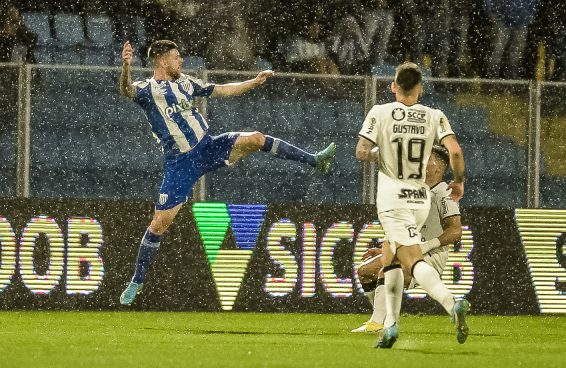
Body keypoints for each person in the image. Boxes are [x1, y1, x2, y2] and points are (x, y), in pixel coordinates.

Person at [118, 39, 336, 305]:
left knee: (255, 138)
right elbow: (126, 90)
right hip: (180, 163)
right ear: (162, 60)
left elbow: (222, 90)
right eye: (176, 57)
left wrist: (253, 82)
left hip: (208, 147)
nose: (181, 60)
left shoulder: (187, 82)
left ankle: (314, 160)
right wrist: (126, 66)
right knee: (160, 224)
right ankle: (137, 281)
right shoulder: (147, 89)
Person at [355, 62, 469, 349]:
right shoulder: (434, 115)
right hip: (419, 198)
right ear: (421, 88)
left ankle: (451, 302)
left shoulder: (380, 112)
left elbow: (361, 152)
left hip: (393, 196)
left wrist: (384, 154)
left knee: (410, 259)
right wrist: (458, 180)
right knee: (390, 257)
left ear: (394, 86)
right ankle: (390, 325)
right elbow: (454, 150)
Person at [351, 145, 463, 334]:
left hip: (431, 256)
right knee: (365, 271)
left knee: (386, 272)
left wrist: (425, 247)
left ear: (438, 168)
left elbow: (455, 231)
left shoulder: (443, 193)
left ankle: (378, 323)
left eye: (427, 159)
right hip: (410, 250)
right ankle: (383, 317)